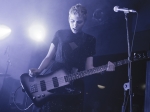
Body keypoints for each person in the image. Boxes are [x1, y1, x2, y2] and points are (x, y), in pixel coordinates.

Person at [29, 3, 115, 112]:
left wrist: (103, 69)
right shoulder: (59, 34)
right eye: (72, 21)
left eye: (79, 22)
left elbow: (89, 67)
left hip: (74, 85)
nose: (75, 25)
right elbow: (48, 57)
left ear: (84, 21)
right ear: (69, 18)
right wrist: (39, 70)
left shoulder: (90, 39)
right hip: (53, 80)